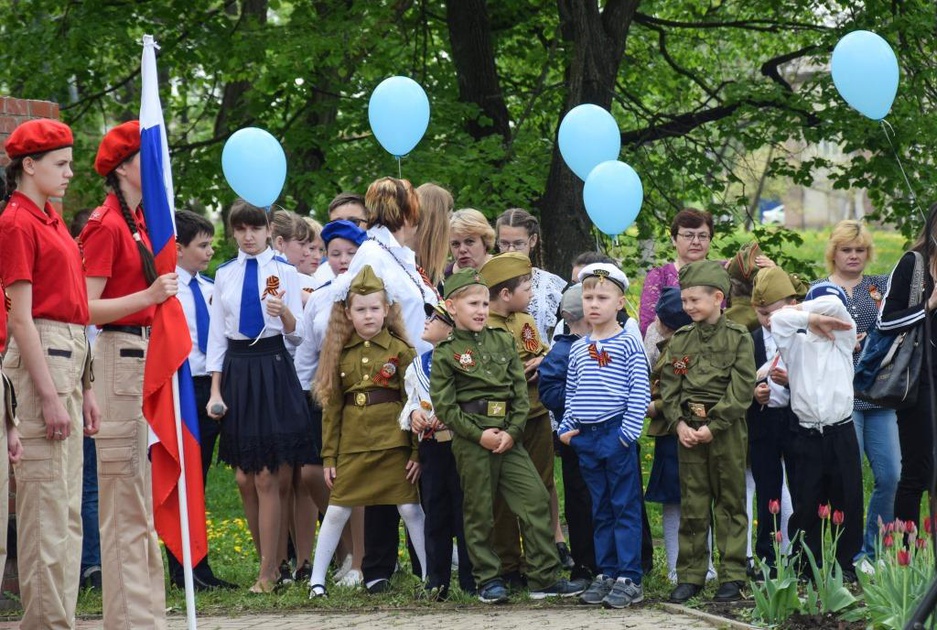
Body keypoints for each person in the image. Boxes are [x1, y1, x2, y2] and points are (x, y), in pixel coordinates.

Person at [430, 268, 587, 602]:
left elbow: (519, 393)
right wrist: (480, 435)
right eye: (472, 303)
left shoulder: (503, 340)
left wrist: (513, 432)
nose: (480, 310)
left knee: (535, 498)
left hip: (508, 436)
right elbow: (446, 409)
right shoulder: (446, 354)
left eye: (484, 303)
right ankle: (488, 579)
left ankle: (543, 577)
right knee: (480, 511)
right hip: (474, 440)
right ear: (452, 307)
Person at [0, 118, 96, 629]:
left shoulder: (50, 219)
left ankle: (63, 621)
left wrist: (86, 386)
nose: (69, 172)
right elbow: (21, 316)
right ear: (28, 166)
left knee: (67, 513)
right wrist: (50, 397)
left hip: (69, 357)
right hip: (43, 360)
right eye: (59, 164)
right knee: (45, 512)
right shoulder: (16, 222)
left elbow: (75, 312)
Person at [80, 120, 175, 628]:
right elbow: (85, 307)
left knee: (138, 496)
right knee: (122, 497)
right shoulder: (106, 224)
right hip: (119, 358)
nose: (157, 164)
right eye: (147, 155)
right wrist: (148, 297)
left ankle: (145, 614)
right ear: (123, 167)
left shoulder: (141, 222)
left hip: (143, 359)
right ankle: (132, 619)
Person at [328, 177, 435, 593]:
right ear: (408, 211)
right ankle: (378, 566)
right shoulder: (372, 252)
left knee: (414, 469)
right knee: (387, 468)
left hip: (420, 371)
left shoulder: (402, 253)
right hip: (389, 373)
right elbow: (346, 298)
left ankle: (430, 562)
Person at [205, 199, 315, 593]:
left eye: (255, 228)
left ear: (270, 231)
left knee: (268, 475)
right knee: (243, 478)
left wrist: (284, 311)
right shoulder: (225, 274)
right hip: (237, 370)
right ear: (232, 232)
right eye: (240, 229)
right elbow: (217, 337)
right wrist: (215, 389)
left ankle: (269, 571)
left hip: (272, 365)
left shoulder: (284, 271)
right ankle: (271, 562)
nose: (248, 236)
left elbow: (298, 334)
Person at [307, 265, 426, 598]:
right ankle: (317, 581)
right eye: (360, 309)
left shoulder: (402, 351)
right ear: (348, 313)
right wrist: (329, 455)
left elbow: (414, 402)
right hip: (353, 446)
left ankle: (431, 576)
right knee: (336, 510)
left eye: (375, 308)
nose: (369, 315)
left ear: (387, 309)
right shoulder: (340, 354)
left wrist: (415, 451)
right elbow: (332, 410)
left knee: (410, 509)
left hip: (393, 445)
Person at [659, 260, 755, 604]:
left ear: (718, 298)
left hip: (725, 432)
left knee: (730, 503)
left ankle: (732, 576)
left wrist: (714, 427)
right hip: (689, 433)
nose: (688, 307)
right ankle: (691, 576)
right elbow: (670, 386)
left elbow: (742, 388)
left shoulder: (738, 337)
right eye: (684, 301)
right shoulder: (681, 341)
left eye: (695, 300)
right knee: (694, 505)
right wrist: (679, 424)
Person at [557, 263, 650, 609]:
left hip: (616, 433)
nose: (594, 304)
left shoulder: (629, 342)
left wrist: (626, 435)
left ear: (620, 302)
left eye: (602, 297)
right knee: (600, 508)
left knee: (624, 506)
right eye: (588, 296)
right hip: (587, 438)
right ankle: (607, 571)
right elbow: (574, 391)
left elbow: (639, 391)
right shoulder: (580, 347)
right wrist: (567, 428)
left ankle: (630, 576)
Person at [479, 253, 563, 583]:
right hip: (501, 423)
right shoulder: (483, 327)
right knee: (502, 494)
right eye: (526, 286)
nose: (531, 291)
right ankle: (508, 564)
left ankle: (540, 562)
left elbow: (540, 349)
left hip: (536, 414)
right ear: (504, 294)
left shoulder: (523, 320)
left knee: (541, 488)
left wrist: (542, 360)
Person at [293, 218, 368, 588]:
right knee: (312, 473)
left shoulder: (372, 295)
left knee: (354, 476)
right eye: (334, 253)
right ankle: (343, 550)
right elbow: (307, 348)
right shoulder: (321, 296)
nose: (341, 260)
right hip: (323, 396)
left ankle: (360, 560)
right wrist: (306, 391)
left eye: (350, 253)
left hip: (361, 397)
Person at [770, 281, 862, 578]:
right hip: (806, 434)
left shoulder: (845, 338)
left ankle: (845, 565)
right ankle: (806, 566)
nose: (827, 318)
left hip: (841, 433)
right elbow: (777, 319)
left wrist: (813, 311)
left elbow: (835, 308)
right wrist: (810, 318)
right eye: (817, 310)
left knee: (846, 500)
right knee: (806, 503)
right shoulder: (794, 343)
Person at [818, 220, 898, 561]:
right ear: (833, 252)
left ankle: (873, 551)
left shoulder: (879, 287)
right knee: (848, 480)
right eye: (846, 250)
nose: (853, 256)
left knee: (891, 475)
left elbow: (900, 325)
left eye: (860, 250)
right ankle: (848, 555)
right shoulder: (820, 290)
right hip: (841, 397)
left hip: (880, 394)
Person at [165, 210, 236, 590]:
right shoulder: (168, 291)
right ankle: (181, 570)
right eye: (202, 245)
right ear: (177, 249)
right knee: (181, 479)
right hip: (180, 388)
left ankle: (200, 567)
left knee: (199, 478)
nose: (210, 251)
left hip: (209, 389)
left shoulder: (210, 289)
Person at [401, 299, 475, 599]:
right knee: (435, 514)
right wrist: (414, 415)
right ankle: (436, 580)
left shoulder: (466, 359)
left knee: (465, 514)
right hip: (432, 449)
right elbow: (411, 401)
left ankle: (472, 580)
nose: (428, 320)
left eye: (436, 317)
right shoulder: (418, 365)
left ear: (452, 326)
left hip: (461, 445)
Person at [645, 286, 713, 584]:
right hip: (673, 435)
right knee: (678, 501)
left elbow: (677, 391)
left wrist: (655, 406)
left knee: (691, 501)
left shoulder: (678, 351)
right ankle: (679, 566)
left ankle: (697, 565)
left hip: (682, 431)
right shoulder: (675, 347)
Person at [879, 206, 937, 534]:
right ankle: (906, 558)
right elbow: (885, 321)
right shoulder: (912, 265)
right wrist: (928, 305)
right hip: (917, 380)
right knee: (917, 471)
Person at [538, 283, 597, 581]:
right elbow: (549, 391)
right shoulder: (562, 351)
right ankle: (586, 563)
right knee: (580, 500)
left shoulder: (603, 344)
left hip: (604, 436)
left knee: (608, 499)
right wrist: (583, 398)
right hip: (575, 437)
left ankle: (630, 558)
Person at [748, 268, 803, 566]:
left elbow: (815, 379)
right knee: (767, 490)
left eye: (774, 312)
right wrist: (756, 393)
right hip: (764, 424)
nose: (768, 321)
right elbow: (744, 379)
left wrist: (791, 381)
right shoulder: (752, 340)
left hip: (795, 423)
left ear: (793, 306)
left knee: (800, 487)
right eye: (761, 313)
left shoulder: (803, 337)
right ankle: (767, 556)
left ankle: (799, 551)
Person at [639, 208, 715, 336]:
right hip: (668, 349)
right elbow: (646, 326)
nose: (696, 242)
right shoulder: (659, 276)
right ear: (674, 239)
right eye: (688, 235)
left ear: (710, 240)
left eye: (702, 236)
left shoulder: (722, 272)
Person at [495, 208, 567, 340]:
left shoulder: (549, 285)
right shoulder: (488, 279)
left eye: (518, 244)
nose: (510, 250)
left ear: (532, 240)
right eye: (504, 243)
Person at [311, 193, 369, 288]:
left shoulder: (386, 268)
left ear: (369, 224)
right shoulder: (319, 277)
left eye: (353, 221)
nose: (345, 227)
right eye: (337, 223)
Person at [446, 208, 494, 277]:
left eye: (469, 241)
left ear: (485, 242)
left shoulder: (502, 271)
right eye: (455, 244)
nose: (462, 250)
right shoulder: (443, 280)